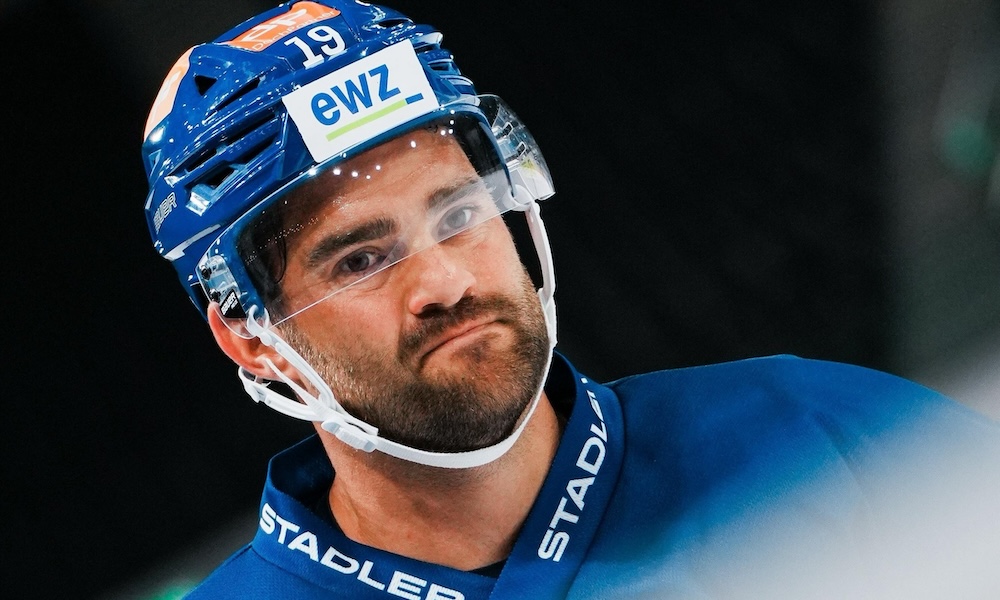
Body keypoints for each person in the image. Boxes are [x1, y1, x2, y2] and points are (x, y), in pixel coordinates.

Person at [142, 2, 1000, 598]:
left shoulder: (826, 434)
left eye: (460, 215)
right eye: (362, 259)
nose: (444, 282)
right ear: (250, 337)